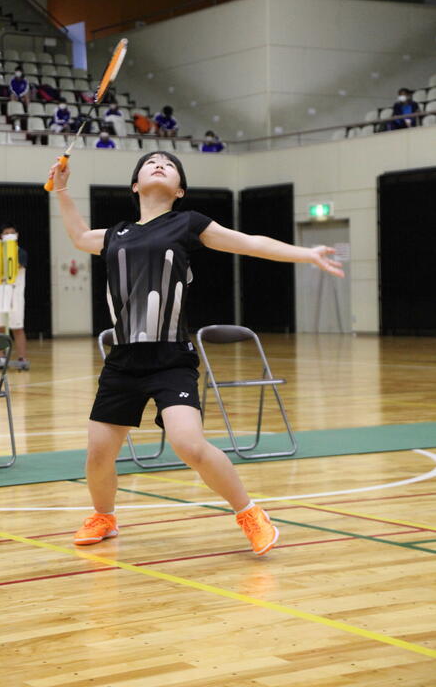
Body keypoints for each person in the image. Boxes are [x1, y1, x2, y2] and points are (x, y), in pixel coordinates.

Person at [49, 150, 343, 554]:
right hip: (123, 359)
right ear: (135, 185)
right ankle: (104, 517)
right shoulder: (117, 233)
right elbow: (80, 237)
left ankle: (250, 513)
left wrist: (305, 253)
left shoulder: (188, 223)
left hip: (171, 358)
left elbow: (249, 244)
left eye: (169, 165)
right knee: (99, 453)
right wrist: (62, 190)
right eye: (150, 163)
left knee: (188, 444)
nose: (159, 165)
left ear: (179, 190)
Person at [0, 223, 30, 369]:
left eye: (11, 233)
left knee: (17, 326)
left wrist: (9, 247)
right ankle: (1, 357)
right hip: (0, 291)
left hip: (14, 293)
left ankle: (22, 357)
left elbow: (16, 266)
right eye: (6, 233)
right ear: (1, 236)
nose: (8, 235)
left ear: (16, 235)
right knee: (0, 326)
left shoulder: (20, 252)